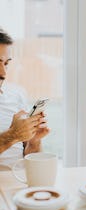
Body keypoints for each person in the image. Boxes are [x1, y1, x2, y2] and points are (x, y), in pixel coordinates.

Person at [0, 28, 49, 169]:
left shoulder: (17, 94)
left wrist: (34, 141)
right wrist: (13, 135)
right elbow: (13, 136)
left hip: (19, 181)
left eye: (6, 63)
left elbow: (30, 159)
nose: (3, 73)